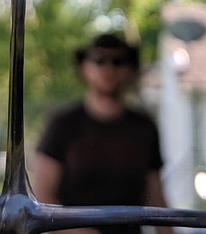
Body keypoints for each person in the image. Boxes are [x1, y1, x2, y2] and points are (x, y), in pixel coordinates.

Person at [31, 33, 173, 234]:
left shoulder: (144, 128)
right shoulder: (62, 125)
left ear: (130, 69)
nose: (108, 69)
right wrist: (76, 231)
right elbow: (42, 196)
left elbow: (156, 200)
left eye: (118, 61)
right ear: (84, 67)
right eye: (99, 60)